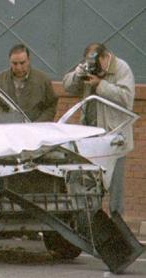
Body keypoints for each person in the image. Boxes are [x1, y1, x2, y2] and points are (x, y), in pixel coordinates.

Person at [63, 42, 135, 215]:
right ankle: (93, 223)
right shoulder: (89, 69)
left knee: (114, 187)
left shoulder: (121, 69)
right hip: (90, 139)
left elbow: (126, 98)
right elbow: (67, 87)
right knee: (90, 186)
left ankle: (117, 224)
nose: (95, 68)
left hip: (114, 139)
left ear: (105, 57)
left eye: (97, 64)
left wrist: (100, 85)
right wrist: (78, 75)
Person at [0, 44, 58, 121]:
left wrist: (38, 125)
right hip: (6, 129)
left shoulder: (42, 80)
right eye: (14, 63)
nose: (18, 67)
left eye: (22, 63)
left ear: (28, 60)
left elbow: (51, 107)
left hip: (34, 129)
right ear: (9, 62)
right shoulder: (0, 79)